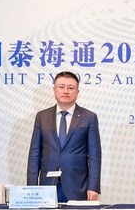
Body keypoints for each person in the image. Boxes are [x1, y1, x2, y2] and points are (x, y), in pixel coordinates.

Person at [27, 71, 101, 202]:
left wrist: (93, 187)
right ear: (54, 90)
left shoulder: (89, 117)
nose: (66, 91)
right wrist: (32, 187)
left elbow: (94, 156)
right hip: (47, 185)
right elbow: (34, 154)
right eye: (61, 87)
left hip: (78, 186)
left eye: (71, 88)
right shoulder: (42, 117)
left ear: (77, 92)